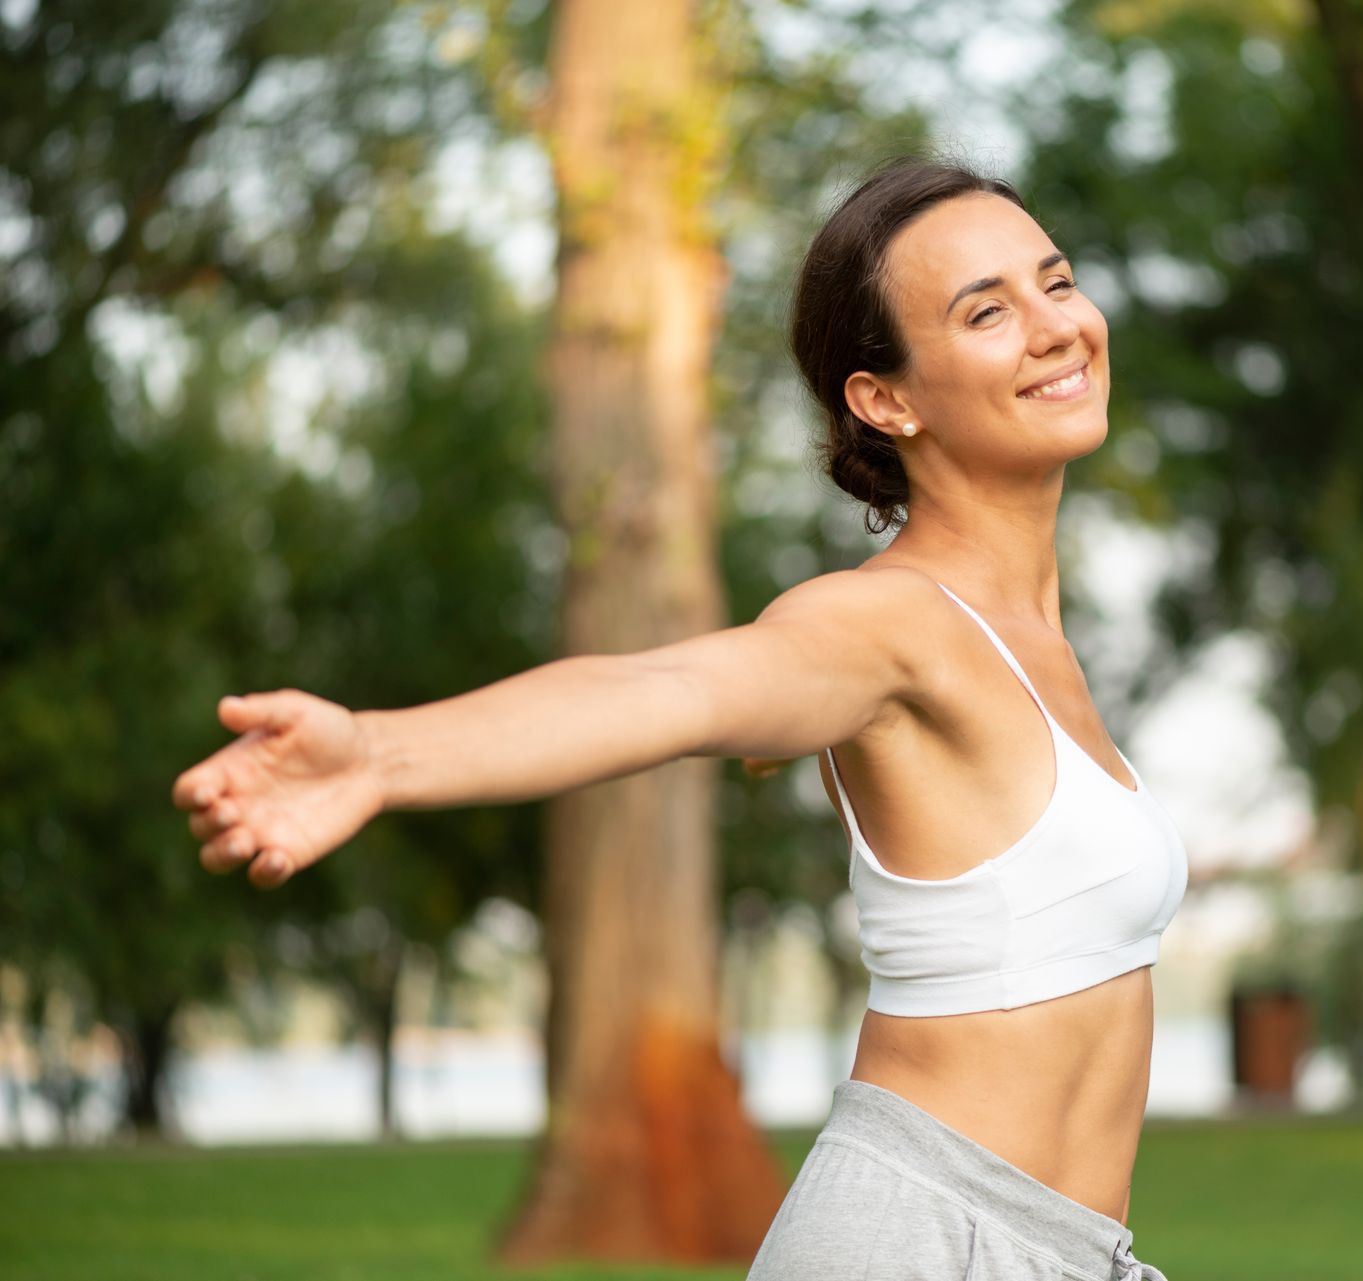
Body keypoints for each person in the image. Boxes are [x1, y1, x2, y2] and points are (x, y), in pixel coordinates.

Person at [171, 156, 1184, 1281]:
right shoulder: (887, 624)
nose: (1055, 328)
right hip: (919, 1239)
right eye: (986, 311)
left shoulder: (1037, 637)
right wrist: (378, 753)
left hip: (1061, 1248)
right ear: (883, 399)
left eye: (1056, 282)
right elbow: (671, 692)